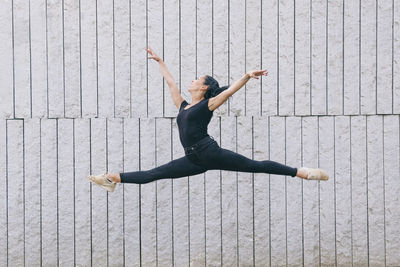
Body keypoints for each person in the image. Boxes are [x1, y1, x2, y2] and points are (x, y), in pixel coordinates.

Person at [88, 46, 329, 192]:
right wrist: (161, 62)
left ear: (203, 88)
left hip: (209, 152)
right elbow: (171, 84)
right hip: (194, 160)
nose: (191, 81)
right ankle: (112, 178)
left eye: (196, 79)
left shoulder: (207, 105)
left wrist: (246, 75)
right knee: (154, 174)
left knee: (255, 166)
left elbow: (229, 91)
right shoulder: (183, 106)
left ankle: (302, 172)